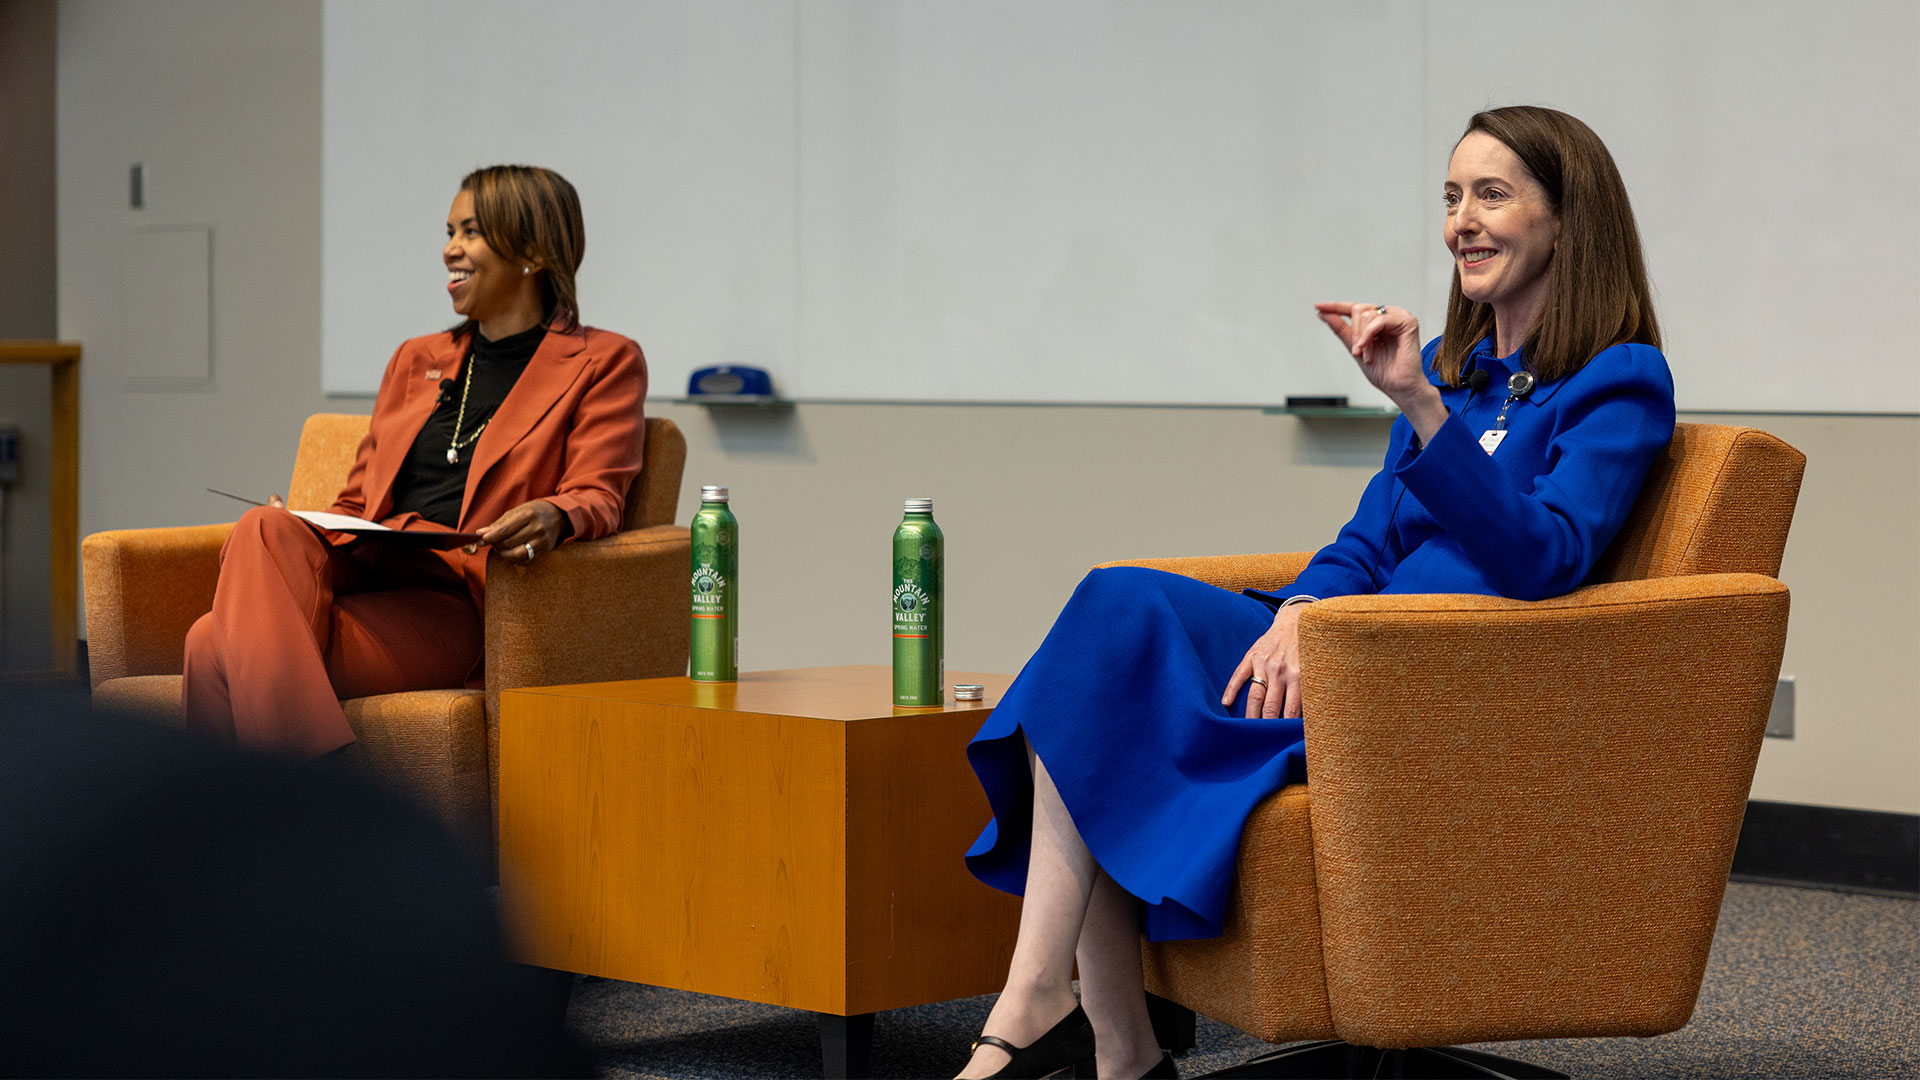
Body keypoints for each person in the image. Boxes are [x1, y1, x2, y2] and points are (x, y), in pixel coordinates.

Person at [956, 106, 1677, 1080]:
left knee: (1114, 678)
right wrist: (1304, 614)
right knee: (1112, 618)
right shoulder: (1461, 384)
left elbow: (1545, 557)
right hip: (1350, 645)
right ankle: (1078, 1019)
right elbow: (1363, 542)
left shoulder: (1618, 382)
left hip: (1434, 689)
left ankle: (1090, 1035)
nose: (1462, 220)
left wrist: (1419, 406)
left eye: (1492, 195)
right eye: (1452, 197)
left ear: (1566, 220)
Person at [183, 165, 647, 756]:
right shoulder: (416, 358)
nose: (450, 249)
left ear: (532, 251)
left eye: (470, 232)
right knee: (263, 528)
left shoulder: (603, 361)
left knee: (208, 642)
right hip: (372, 562)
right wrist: (306, 522)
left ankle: (268, 829)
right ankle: (308, 810)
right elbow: (357, 501)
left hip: (457, 596)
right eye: (449, 231)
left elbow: (599, 494)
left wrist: (556, 515)